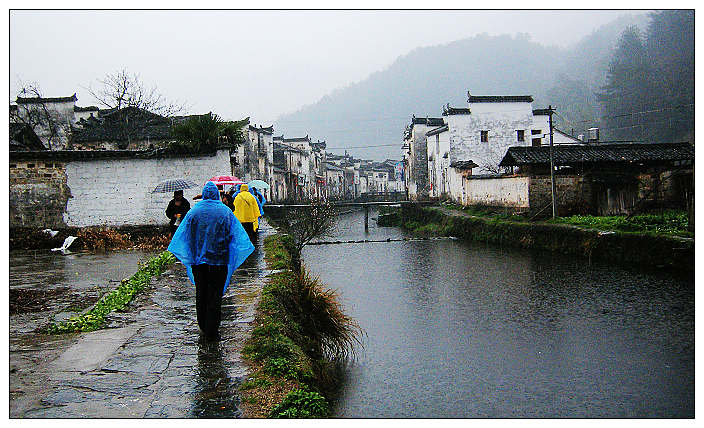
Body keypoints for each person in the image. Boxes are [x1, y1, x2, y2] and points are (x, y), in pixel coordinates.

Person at [167, 181, 254, 339]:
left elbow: (184, 235)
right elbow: (236, 235)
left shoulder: (194, 212)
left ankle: (203, 325)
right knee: (215, 293)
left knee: (201, 292)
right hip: (219, 261)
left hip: (198, 262)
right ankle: (212, 328)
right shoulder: (225, 212)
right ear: (216, 194)